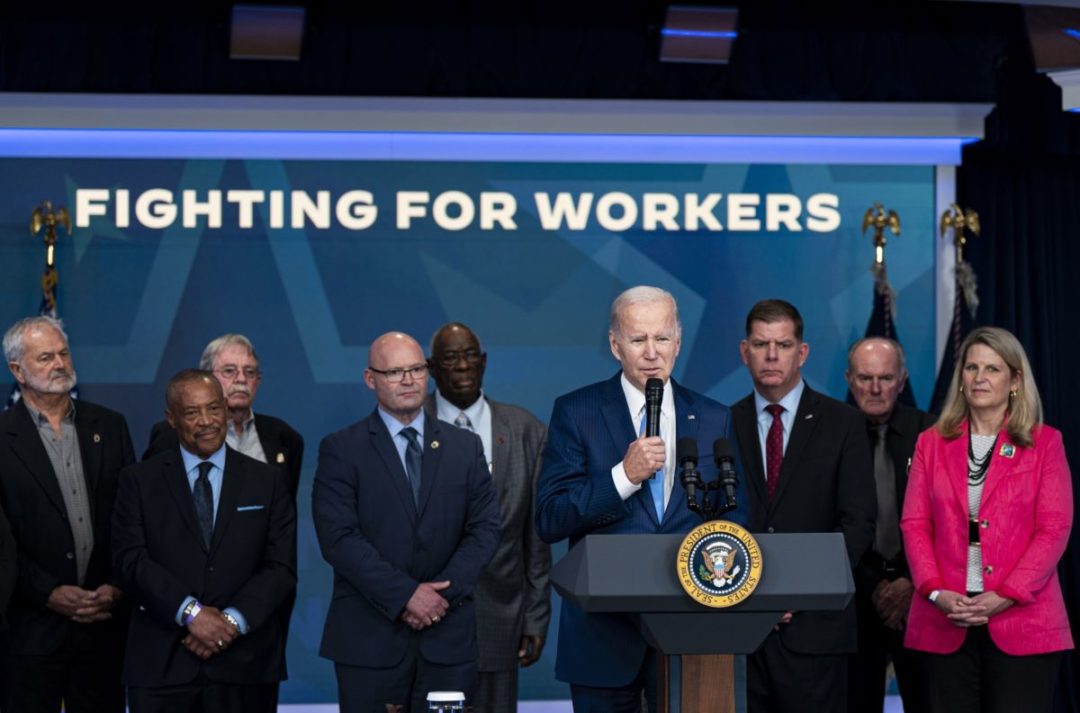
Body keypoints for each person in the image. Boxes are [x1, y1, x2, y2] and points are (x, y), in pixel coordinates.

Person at [536, 285, 746, 712]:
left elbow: (735, 516)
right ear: (615, 345)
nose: (652, 352)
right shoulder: (577, 412)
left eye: (662, 338)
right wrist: (622, 477)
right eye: (638, 339)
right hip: (604, 640)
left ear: (678, 341)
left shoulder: (712, 417)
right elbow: (551, 517)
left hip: (692, 636)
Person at [312, 331, 500, 712]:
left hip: (447, 639)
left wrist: (437, 598)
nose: (409, 380)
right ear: (371, 379)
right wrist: (406, 596)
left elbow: (484, 529)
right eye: (395, 372)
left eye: (416, 369)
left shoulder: (464, 447)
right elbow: (339, 538)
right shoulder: (341, 449)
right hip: (370, 642)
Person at [900, 326, 1073, 713]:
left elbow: (1054, 529)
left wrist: (1006, 594)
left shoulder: (1045, 442)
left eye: (992, 369)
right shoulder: (930, 442)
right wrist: (934, 591)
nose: (980, 378)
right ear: (960, 376)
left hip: (1023, 621)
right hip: (946, 618)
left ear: (1014, 380)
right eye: (972, 367)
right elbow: (914, 524)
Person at [111, 369, 296, 713]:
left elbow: (280, 567)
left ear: (226, 409)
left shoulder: (266, 480)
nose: (207, 421)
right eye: (192, 413)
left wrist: (230, 622)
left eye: (213, 409)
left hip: (245, 664)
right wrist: (191, 613)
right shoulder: (138, 480)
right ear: (171, 419)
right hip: (162, 665)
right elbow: (129, 560)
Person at [730, 299, 875, 713]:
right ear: (745, 352)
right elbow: (714, 520)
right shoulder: (721, 423)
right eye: (761, 345)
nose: (772, 356)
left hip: (816, 630)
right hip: (739, 629)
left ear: (802, 352)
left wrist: (794, 593)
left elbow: (858, 522)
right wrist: (751, 594)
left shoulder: (843, 423)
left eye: (783, 344)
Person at [0, 315, 135, 713]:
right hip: (30, 630)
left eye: (63, 353)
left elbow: (130, 516)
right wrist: (47, 592)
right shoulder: (2, 439)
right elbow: (1, 542)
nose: (60, 364)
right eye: (45, 357)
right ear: (17, 371)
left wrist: (116, 584)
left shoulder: (110, 426)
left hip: (104, 623)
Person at [426, 322, 552, 713]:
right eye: (450, 358)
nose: (462, 366)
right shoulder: (409, 424)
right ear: (431, 369)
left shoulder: (525, 429)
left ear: (484, 363)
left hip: (502, 614)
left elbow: (537, 536)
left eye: (469, 356)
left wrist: (535, 616)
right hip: (425, 616)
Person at [844, 337, 935, 713]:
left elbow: (950, 519)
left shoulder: (933, 433)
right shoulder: (833, 433)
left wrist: (911, 583)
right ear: (850, 379)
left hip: (922, 596)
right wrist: (876, 585)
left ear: (903, 380)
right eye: (865, 378)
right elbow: (826, 517)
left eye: (886, 378)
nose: (876, 389)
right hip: (854, 595)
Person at [144, 334, 303, 500]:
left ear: (258, 381)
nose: (241, 379)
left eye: (249, 372)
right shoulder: (172, 433)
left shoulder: (284, 436)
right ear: (204, 380)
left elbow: (286, 509)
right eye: (229, 371)